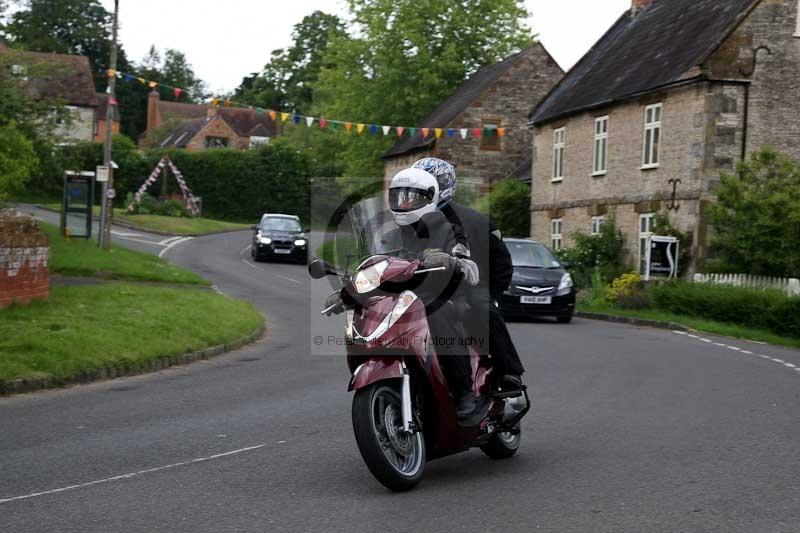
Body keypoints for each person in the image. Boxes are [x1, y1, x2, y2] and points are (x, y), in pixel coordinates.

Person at [382, 167, 487, 424]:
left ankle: (463, 392)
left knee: (435, 310)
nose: (403, 203)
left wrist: (453, 258)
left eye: (410, 197)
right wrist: (348, 287)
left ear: (430, 197)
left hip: (445, 296)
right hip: (404, 299)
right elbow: (377, 264)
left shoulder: (447, 229)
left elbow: (461, 255)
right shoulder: (389, 236)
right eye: (398, 197)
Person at [411, 157, 525, 389]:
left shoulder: (475, 220)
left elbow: (501, 262)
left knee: (483, 308)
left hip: (468, 287)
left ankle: (509, 372)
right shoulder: (406, 221)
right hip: (420, 287)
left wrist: (492, 293)